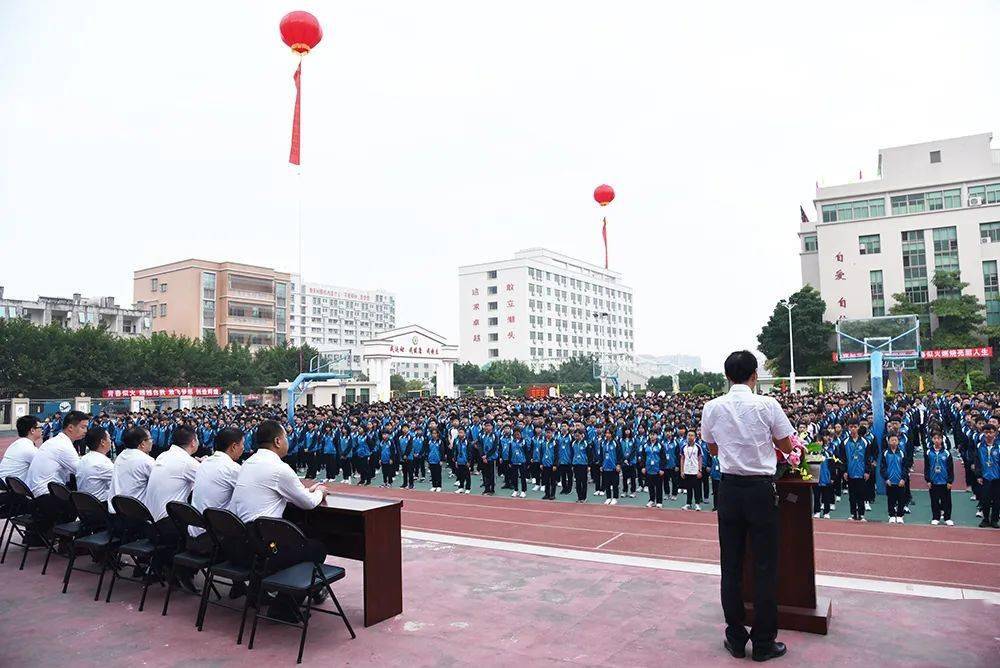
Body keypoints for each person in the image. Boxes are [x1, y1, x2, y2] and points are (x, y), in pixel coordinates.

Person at [702, 351, 794, 663]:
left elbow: (712, 448)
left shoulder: (712, 407)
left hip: (729, 489)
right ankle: (764, 643)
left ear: (727, 376)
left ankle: (736, 639)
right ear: (754, 375)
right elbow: (786, 445)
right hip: (760, 491)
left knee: (731, 566)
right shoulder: (768, 404)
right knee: (765, 567)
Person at [228, 420, 329, 615]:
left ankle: (258, 593)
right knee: (316, 548)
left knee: (296, 539)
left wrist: (307, 491)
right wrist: (320, 492)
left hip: (241, 544)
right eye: (286, 438)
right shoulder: (279, 468)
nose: (288, 441)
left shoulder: (248, 463)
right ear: (277, 441)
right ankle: (285, 608)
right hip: (264, 549)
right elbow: (307, 503)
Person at [25, 410, 87, 498]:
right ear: (70, 428)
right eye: (83, 427)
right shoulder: (64, 446)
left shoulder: (55, 441)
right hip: (45, 496)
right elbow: (83, 471)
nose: (86, 431)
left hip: (35, 492)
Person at [107, 426, 156, 512]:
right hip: (135, 514)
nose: (152, 441)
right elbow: (159, 482)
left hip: (115, 510)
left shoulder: (121, 456)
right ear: (142, 443)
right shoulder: (146, 461)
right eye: (150, 438)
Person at [0, 415, 43, 484]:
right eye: (40, 427)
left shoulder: (16, 444)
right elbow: (44, 468)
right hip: (12, 489)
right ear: (32, 430)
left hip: (4, 484)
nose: (42, 429)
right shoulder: (29, 448)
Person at [76, 426, 114, 501]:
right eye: (109, 438)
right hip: (100, 505)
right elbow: (119, 482)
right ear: (102, 442)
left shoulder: (83, 459)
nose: (110, 441)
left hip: (84, 503)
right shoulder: (103, 462)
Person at [924, 431, 954, 526]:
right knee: (934, 500)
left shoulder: (946, 453)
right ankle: (935, 517)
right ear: (932, 440)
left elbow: (950, 468)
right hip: (933, 481)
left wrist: (950, 481)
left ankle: (947, 518)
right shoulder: (928, 452)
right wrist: (928, 480)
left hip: (944, 481)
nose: (937, 440)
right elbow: (926, 467)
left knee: (947, 501)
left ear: (942, 440)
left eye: (939, 438)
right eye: (935, 438)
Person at [976, 423, 999, 528]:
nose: (989, 434)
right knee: (985, 499)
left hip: (997, 477)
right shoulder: (980, 445)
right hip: (985, 477)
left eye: (991, 432)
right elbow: (977, 462)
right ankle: (985, 519)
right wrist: (978, 475)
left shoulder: (999, 446)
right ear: (983, 433)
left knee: (997, 499)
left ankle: (994, 520)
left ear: (995, 433)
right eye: (986, 432)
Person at [880, 434, 907, 524]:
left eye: (895, 440)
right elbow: (883, 467)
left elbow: (905, 467)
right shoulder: (885, 453)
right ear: (888, 442)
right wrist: (886, 478)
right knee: (891, 499)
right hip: (890, 481)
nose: (894, 442)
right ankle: (891, 515)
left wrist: (903, 478)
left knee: (901, 499)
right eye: (892, 440)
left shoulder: (902, 453)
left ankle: (900, 516)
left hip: (900, 481)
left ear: (898, 441)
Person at [681, 431, 704, 511]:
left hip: (695, 470)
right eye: (689, 435)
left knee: (696, 488)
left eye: (692, 435)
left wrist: (700, 470)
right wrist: (682, 471)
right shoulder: (683, 446)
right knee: (688, 488)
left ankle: (697, 504)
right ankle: (688, 503)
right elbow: (682, 458)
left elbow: (700, 458)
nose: (690, 437)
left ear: (695, 437)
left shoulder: (698, 447)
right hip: (687, 470)